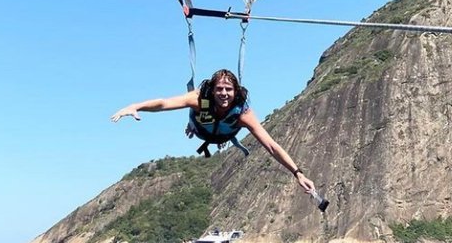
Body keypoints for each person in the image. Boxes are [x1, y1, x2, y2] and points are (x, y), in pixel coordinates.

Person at [110, 68, 318, 198]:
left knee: (230, 124)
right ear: (213, 89)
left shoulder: (243, 113)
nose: (224, 94)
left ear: (235, 91)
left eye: (228, 89)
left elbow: (272, 146)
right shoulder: (200, 99)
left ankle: (198, 128)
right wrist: (136, 106)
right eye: (219, 89)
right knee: (196, 114)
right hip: (202, 130)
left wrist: (297, 173)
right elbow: (165, 103)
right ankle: (191, 126)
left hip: (225, 134)